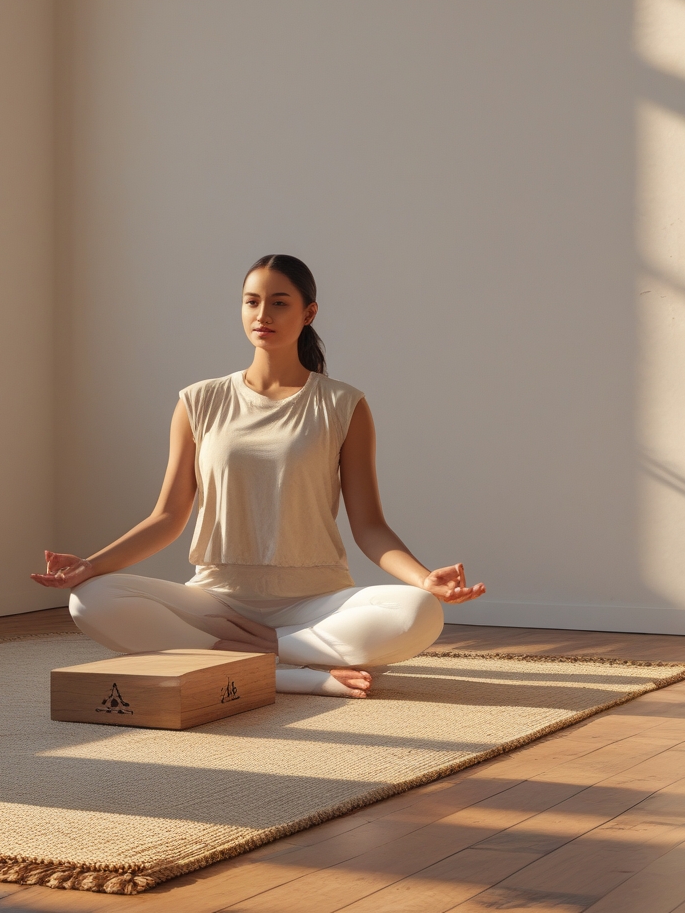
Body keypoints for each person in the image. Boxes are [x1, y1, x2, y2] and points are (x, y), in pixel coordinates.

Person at [35, 254, 485, 698]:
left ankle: (253, 656)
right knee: (90, 600)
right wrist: (90, 566)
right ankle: (289, 671)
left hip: (315, 603)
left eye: (279, 303)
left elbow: (369, 526)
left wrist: (424, 579)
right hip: (217, 604)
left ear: (309, 313)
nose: (262, 314)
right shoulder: (199, 401)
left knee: (420, 611)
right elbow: (168, 517)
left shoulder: (343, 405)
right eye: (251, 302)